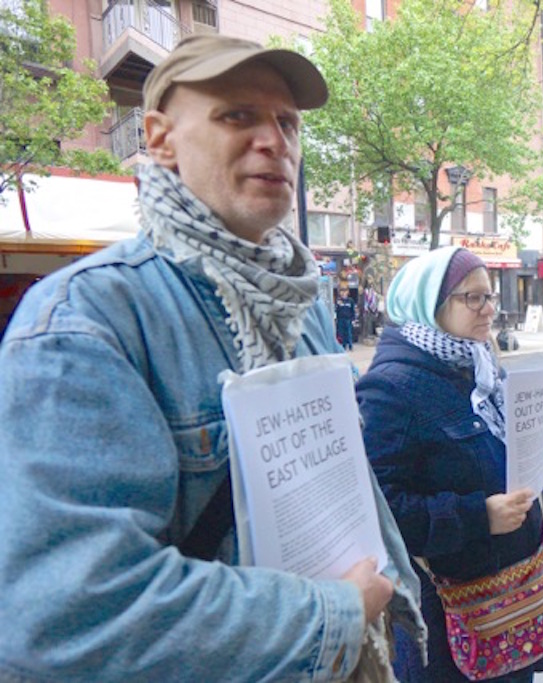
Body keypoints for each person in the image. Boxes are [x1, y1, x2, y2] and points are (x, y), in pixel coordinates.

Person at [0, 34, 425, 681]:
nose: (275, 140)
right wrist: (330, 614)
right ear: (160, 138)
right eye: (238, 115)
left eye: (287, 122)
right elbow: (64, 609)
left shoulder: (301, 301)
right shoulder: (85, 319)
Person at [356, 246, 543, 682]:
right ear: (427, 304)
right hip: (452, 621)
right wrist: (479, 516)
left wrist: (542, 455)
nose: (489, 308)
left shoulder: (481, 366)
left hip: (516, 596)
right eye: (472, 297)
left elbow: (491, 467)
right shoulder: (390, 388)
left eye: (490, 296)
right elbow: (379, 514)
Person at [336, 286, 357, 350]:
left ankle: (350, 346)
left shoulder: (350, 301)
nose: (343, 293)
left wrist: (353, 319)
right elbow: (336, 310)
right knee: (342, 333)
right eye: (342, 291)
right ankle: (343, 346)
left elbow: (352, 310)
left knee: (349, 333)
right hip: (340, 319)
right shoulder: (338, 301)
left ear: (347, 292)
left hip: (348, 319)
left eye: (345, 291)